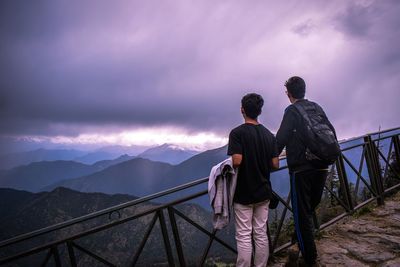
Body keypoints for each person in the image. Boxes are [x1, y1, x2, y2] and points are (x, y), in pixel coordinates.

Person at [276, 76, 336, 266]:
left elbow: (281, 138)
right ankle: (296, 245)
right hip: (322, 165)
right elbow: (331, 132)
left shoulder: (292, 111)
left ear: (289, 93)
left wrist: (270, 157)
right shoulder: (317, 107)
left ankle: (310, 258)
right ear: (304, 90)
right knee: (308, 209)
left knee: (302, 213)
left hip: (301, 169)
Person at [228, 93, 280, 267]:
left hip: (243, 193)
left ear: (242, 110)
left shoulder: (237, 133)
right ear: (259, 111)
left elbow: (236, 161)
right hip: (264, 192)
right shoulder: (269, 135)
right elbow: (275, 164)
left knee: (243, 235)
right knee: (260, 233)